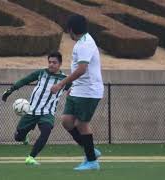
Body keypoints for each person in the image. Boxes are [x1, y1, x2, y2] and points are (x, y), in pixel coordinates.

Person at [51, 15, 104, 171]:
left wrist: (61, 83)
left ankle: (92, 161)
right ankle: (91, 150)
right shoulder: (82, 42)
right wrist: (73, 86)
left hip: (89, 90)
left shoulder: (85, 44)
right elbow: (78, 70)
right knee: (67, 121)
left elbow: (82, 69)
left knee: (81, 124)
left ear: (72, 30)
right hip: (79, 89)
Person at [2, 51, 71, 165]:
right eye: (49, 62)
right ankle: (24, 136)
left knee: (46, 131)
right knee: (18, 137)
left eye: (54, 62)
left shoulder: (65, 79)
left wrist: (72, 92)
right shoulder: (41, 73)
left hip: (47, 112)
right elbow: (25, 80)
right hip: (32, 111)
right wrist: (10, 91)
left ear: (60, 64)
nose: (51, 65)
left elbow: (75, 89)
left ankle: (31, 157)